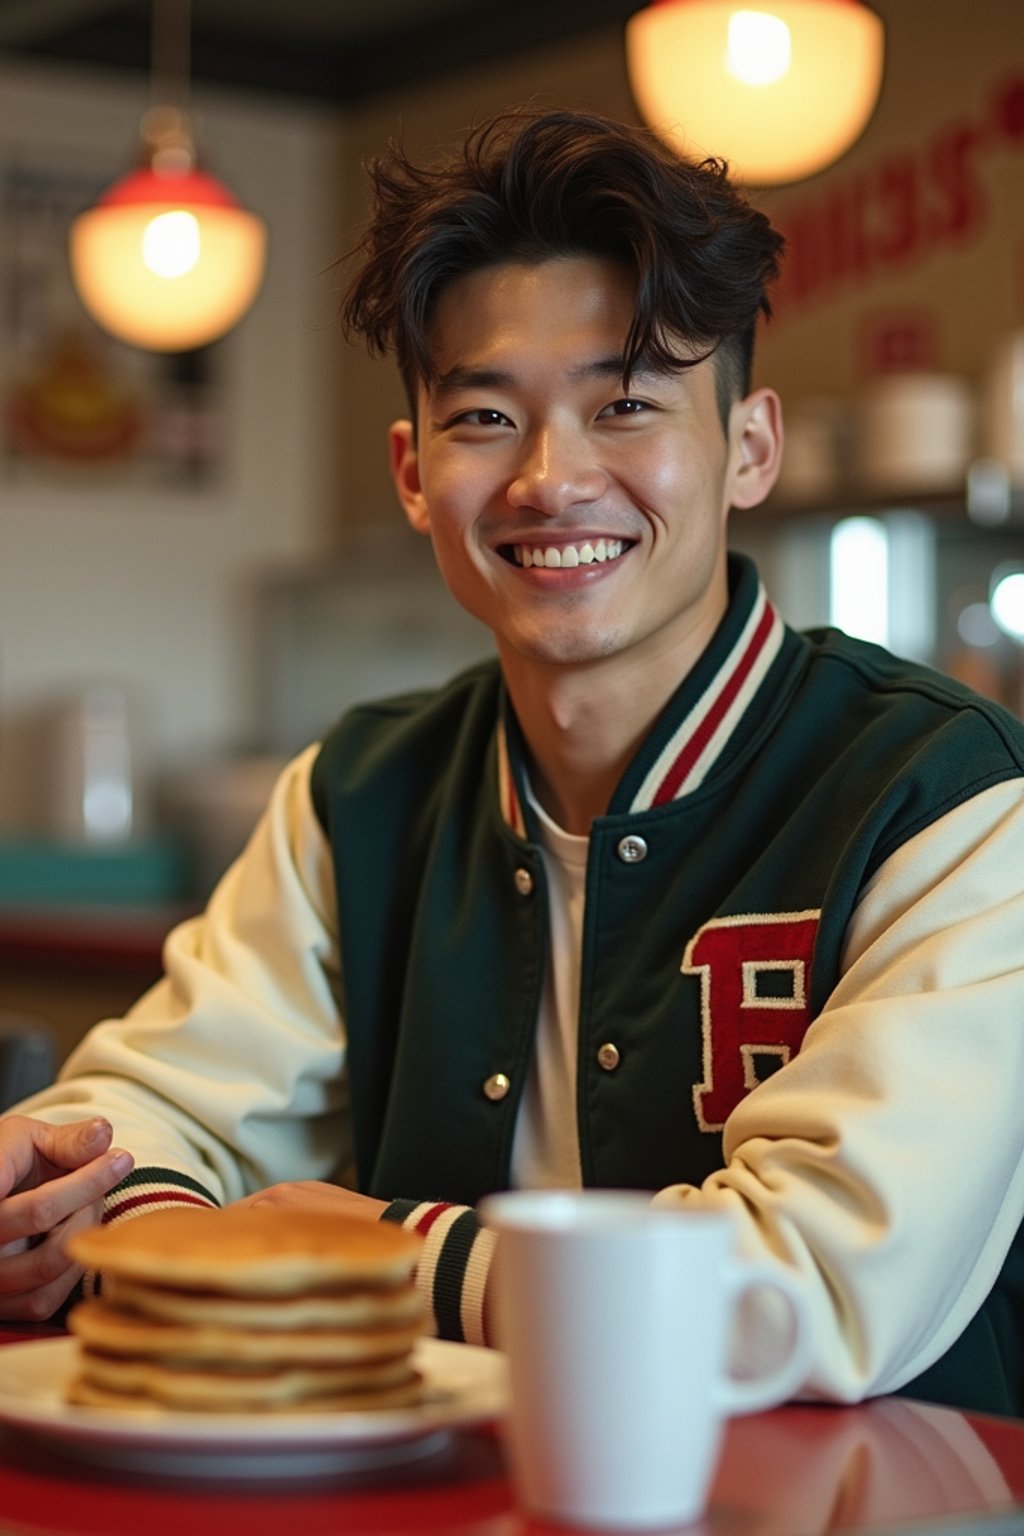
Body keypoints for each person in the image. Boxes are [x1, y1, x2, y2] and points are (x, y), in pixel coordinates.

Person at [3, 108, 1024, 1415]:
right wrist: (125, 1206)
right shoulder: (359, 795)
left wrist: (375, 1249)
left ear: (750, 449)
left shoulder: (945, 795)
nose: (553, 477)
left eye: (628, 404)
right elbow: (142, 1110)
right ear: (413, 472)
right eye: (486, 415)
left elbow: (815, 1288)